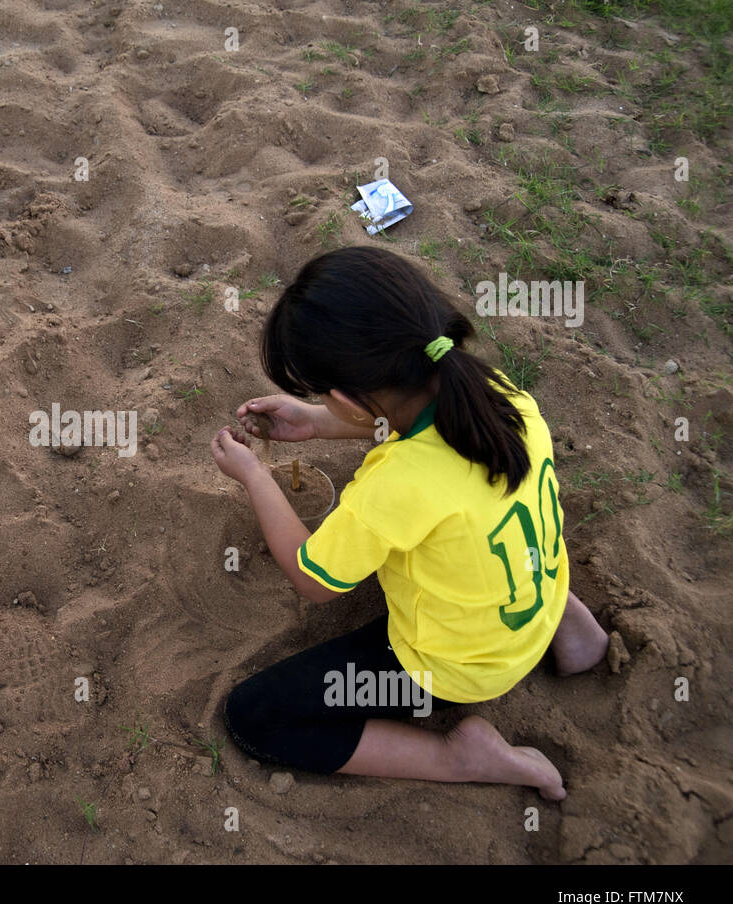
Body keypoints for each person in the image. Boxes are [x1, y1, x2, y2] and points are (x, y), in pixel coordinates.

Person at [210, 246, 609, 799]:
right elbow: (408, 420)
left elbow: (313, 578)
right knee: (485, 523)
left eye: (322, 394)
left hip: (457, 666)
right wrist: (320, 423)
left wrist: (254, 476)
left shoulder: (398, 484)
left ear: (351, 395)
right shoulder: (496, 395)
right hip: (533, 591)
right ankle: (571, 627)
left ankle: (457, 756)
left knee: (256, 716)